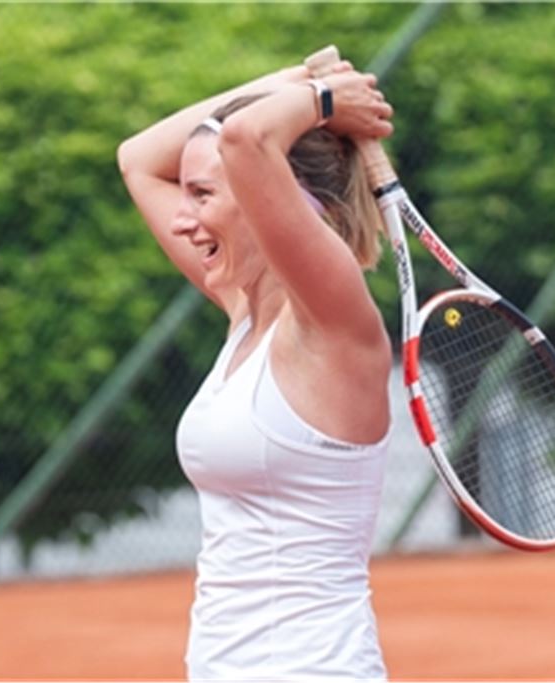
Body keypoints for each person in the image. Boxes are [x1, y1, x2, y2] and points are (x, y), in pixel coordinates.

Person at [117, 58, 396, 680]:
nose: (184, 220)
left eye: (203, 195)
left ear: (274, 203)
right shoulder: (245, 314)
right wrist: (293, 80)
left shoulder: (334, 326)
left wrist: (322, 98)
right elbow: (136, 158)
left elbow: (244, 141)